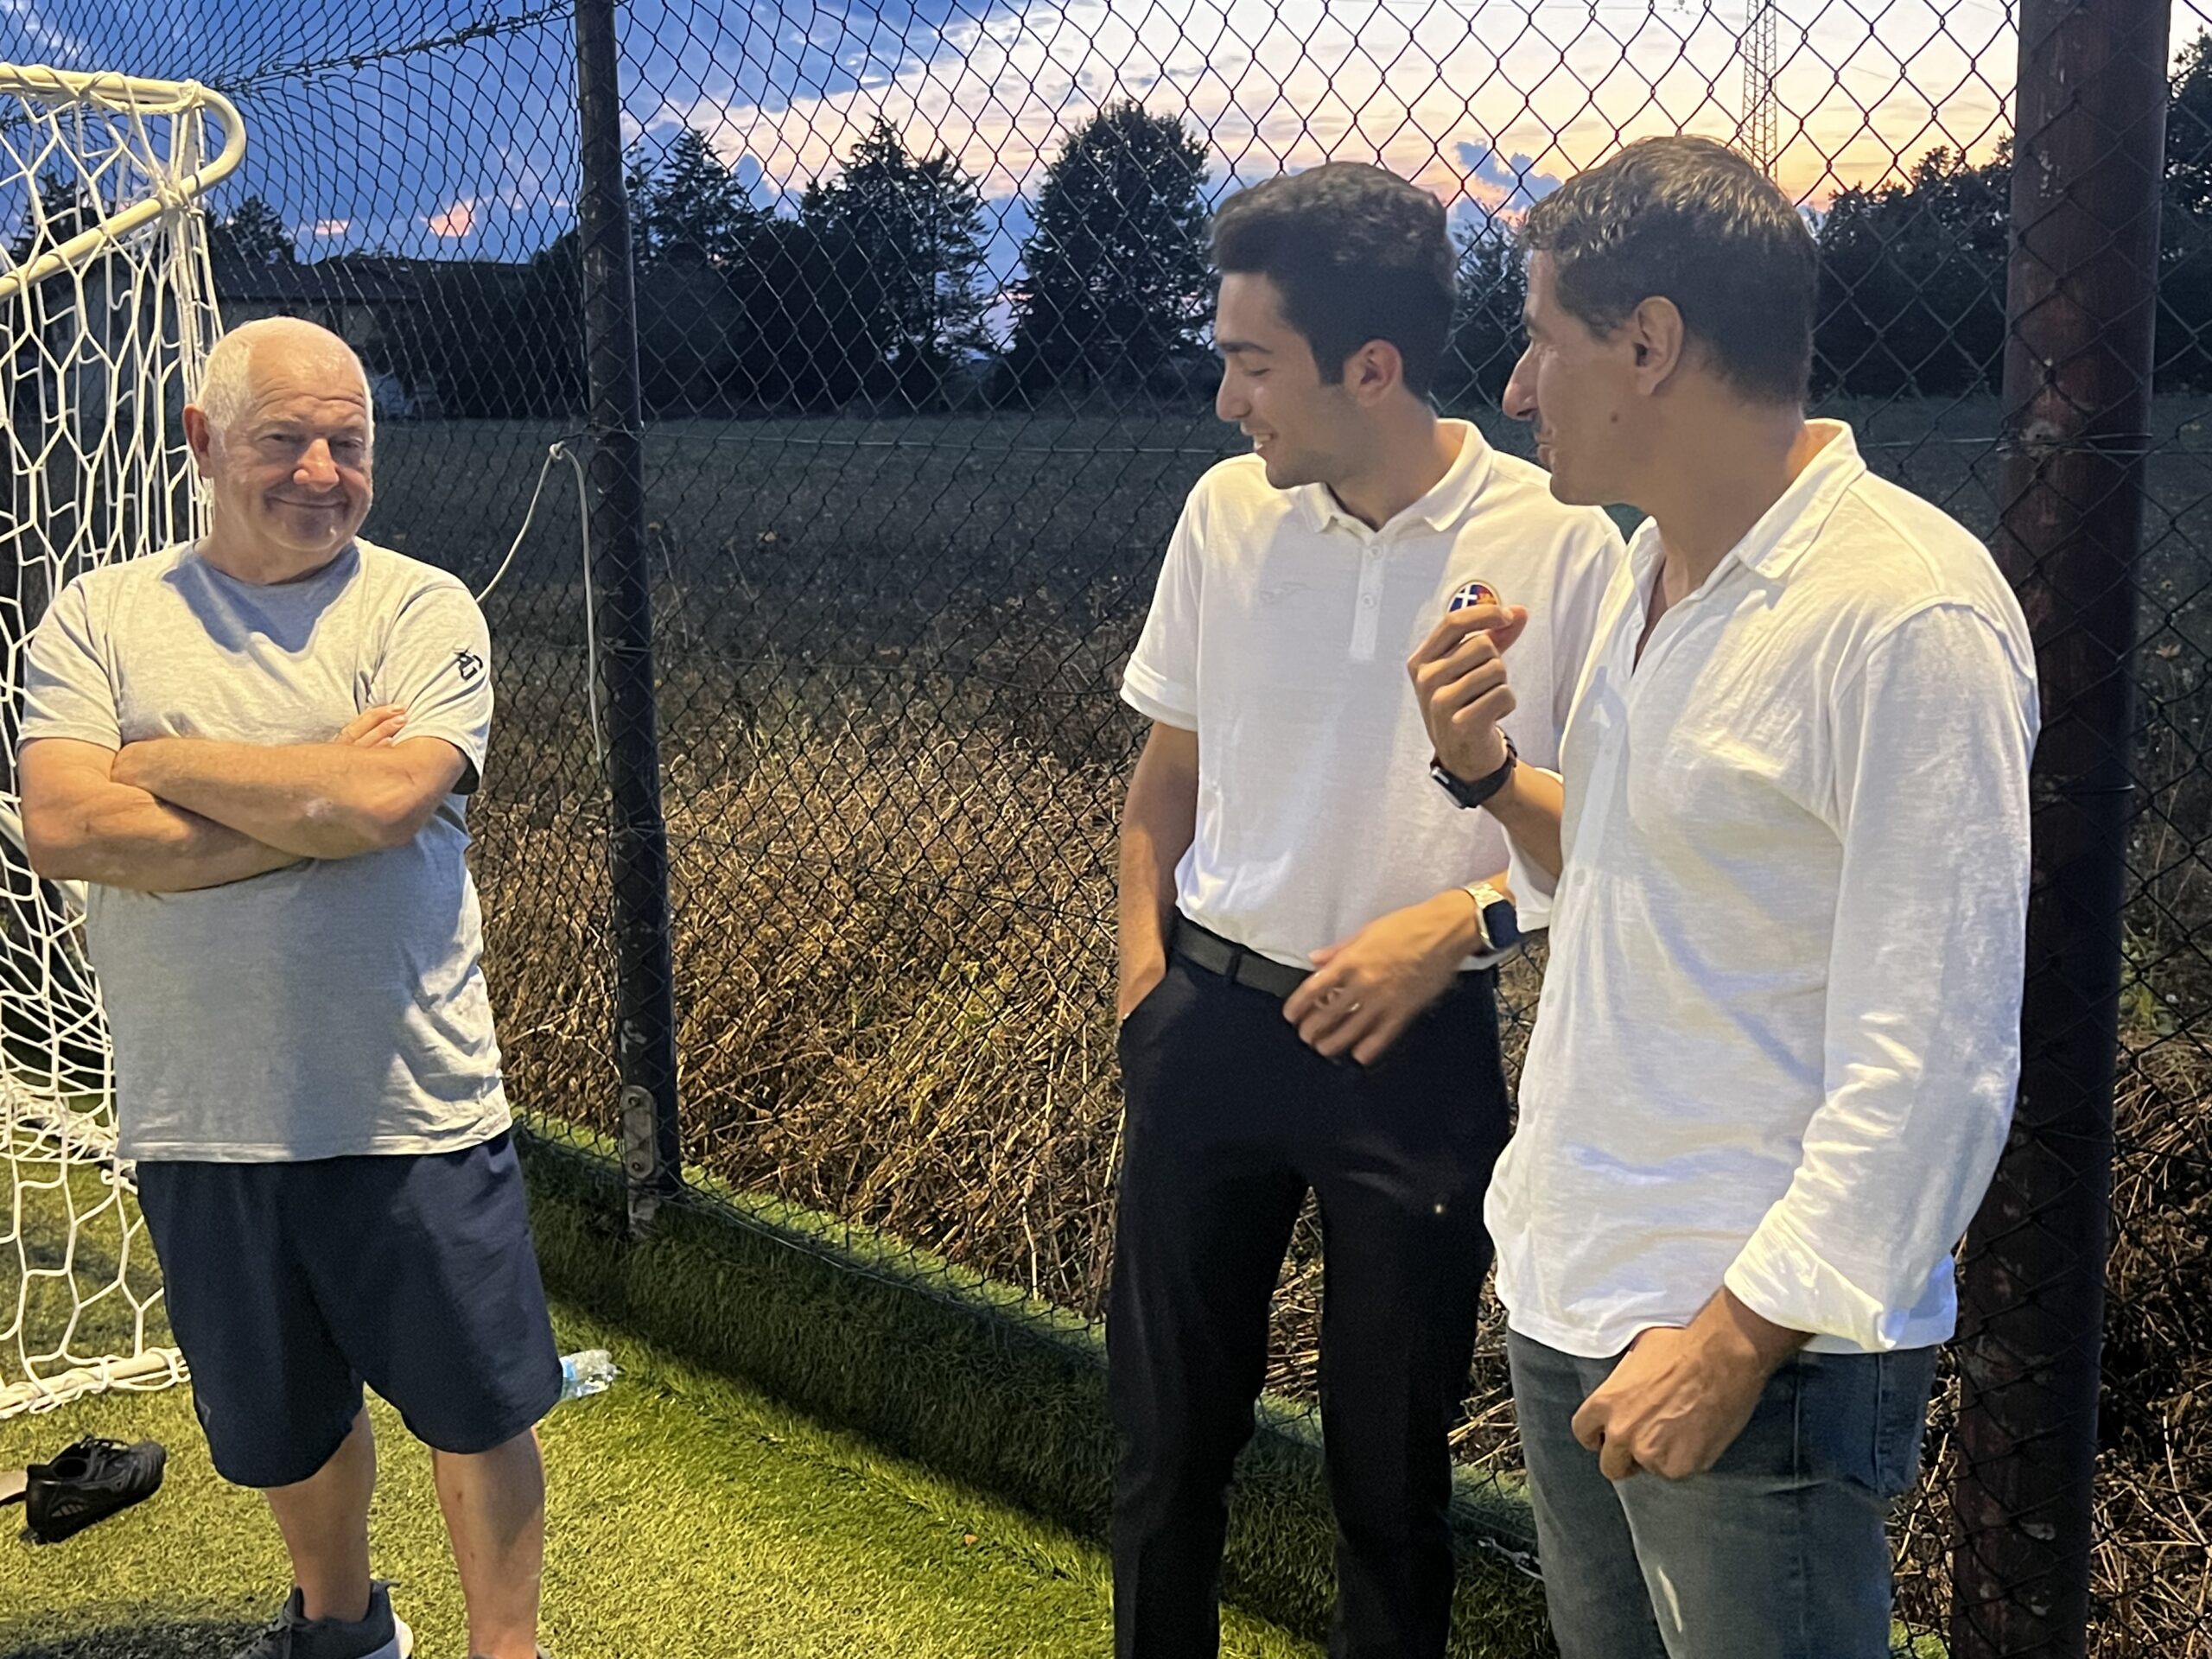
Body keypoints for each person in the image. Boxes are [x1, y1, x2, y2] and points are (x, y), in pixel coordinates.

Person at [1408, 136, 2038, 1657]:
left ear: (1650, 344)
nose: (1516, 386)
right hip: (1575, 1277)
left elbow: (1936, 1059)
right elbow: (1631, 869)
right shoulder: (1651, 573)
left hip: (1753, 1347)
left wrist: (1738, 1338)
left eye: (1541, 339)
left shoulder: (1904, 616)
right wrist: (1487, 776)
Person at [1110, 162, 1623, 1658]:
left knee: (1392, 1491)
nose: (1228, 402)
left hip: (1418, 1059)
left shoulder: (1562, 542)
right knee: (1162, 1463)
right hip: (1208, 1029)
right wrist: (1148, 998)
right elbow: (1159, 790)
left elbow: (1606, 843)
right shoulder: (1224, 514)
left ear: (1373, 369)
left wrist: (1462, 929)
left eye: (1253, 364)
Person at [17, 317, 558, 1659]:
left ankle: (506, 1650)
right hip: (200, 1115)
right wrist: (314, 794)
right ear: (204, 443)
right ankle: (341, 1628)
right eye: (285, 440)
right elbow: (67, 828)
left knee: (479, 1408)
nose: (323, 471)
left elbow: (384, 798)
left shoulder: (420, 606)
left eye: (348, 442)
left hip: (410, 1103)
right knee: (281, 1425)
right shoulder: (101, 616)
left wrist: (161, 764)